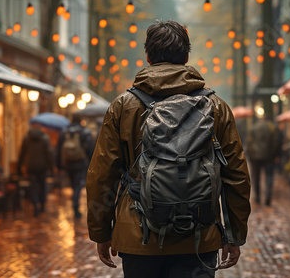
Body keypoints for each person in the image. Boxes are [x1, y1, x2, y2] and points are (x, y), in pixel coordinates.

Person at [86, 20, 251, 278]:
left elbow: (102, 174)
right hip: (199, 235)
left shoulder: (123, 106)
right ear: (186, 56)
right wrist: (235, 234)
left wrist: (101, 232)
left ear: (148, 57)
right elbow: (236, 175)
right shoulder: (216, 107)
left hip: (138, 236)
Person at [56, 113, 94, 218]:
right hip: (80, 163)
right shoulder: (84, 132)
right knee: (78, 185)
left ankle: (75, 203)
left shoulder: (64, 131)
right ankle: (75, 206)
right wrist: (92, 163)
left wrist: (58, 165)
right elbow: (90, 149)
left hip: (68, 163)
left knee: (73, 185)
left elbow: (58, 149)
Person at [17, 123, 54, 217]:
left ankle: (35, 206)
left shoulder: (26, 138)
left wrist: (19, 167)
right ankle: (42, 206)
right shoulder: (44, 138)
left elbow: (22, 153)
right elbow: (49, 154)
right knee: (42, 186)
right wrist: (51, 167)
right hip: (42, 166)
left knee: (33, 187)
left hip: (31, 166)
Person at [245, 116, 281, 206]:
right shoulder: (271, 127)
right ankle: (268, 196)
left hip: (255, 157)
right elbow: (275, 142)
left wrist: (250, 155)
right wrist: (274, 154)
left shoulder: (253, 127)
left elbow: (249, 142)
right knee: (269, 176)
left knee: (256, 177)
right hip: (268, 156)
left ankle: (257, 197)